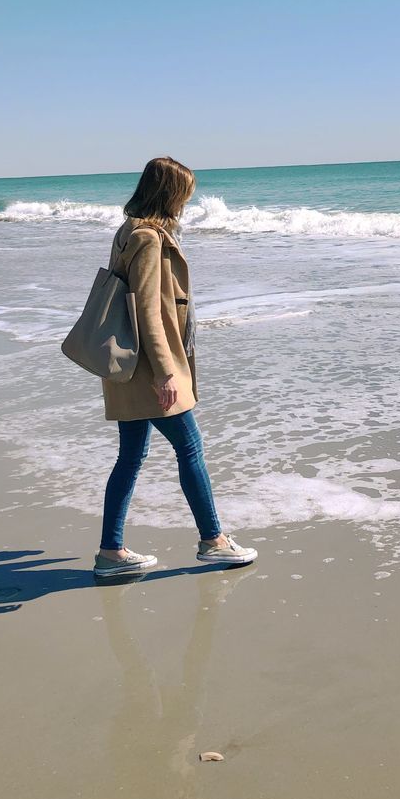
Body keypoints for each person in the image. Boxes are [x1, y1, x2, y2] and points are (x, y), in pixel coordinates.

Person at [94, 156, 257, 577]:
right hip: (150, 368)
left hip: (130, 368)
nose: (188, 200)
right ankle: (213, 541)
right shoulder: (149, 238)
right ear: (169, 193)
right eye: (185, 192)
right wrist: (167, 371)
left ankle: (110, 553)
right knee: (189, 449)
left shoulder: (128, 230)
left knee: (131, 456)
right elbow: (147, 310)